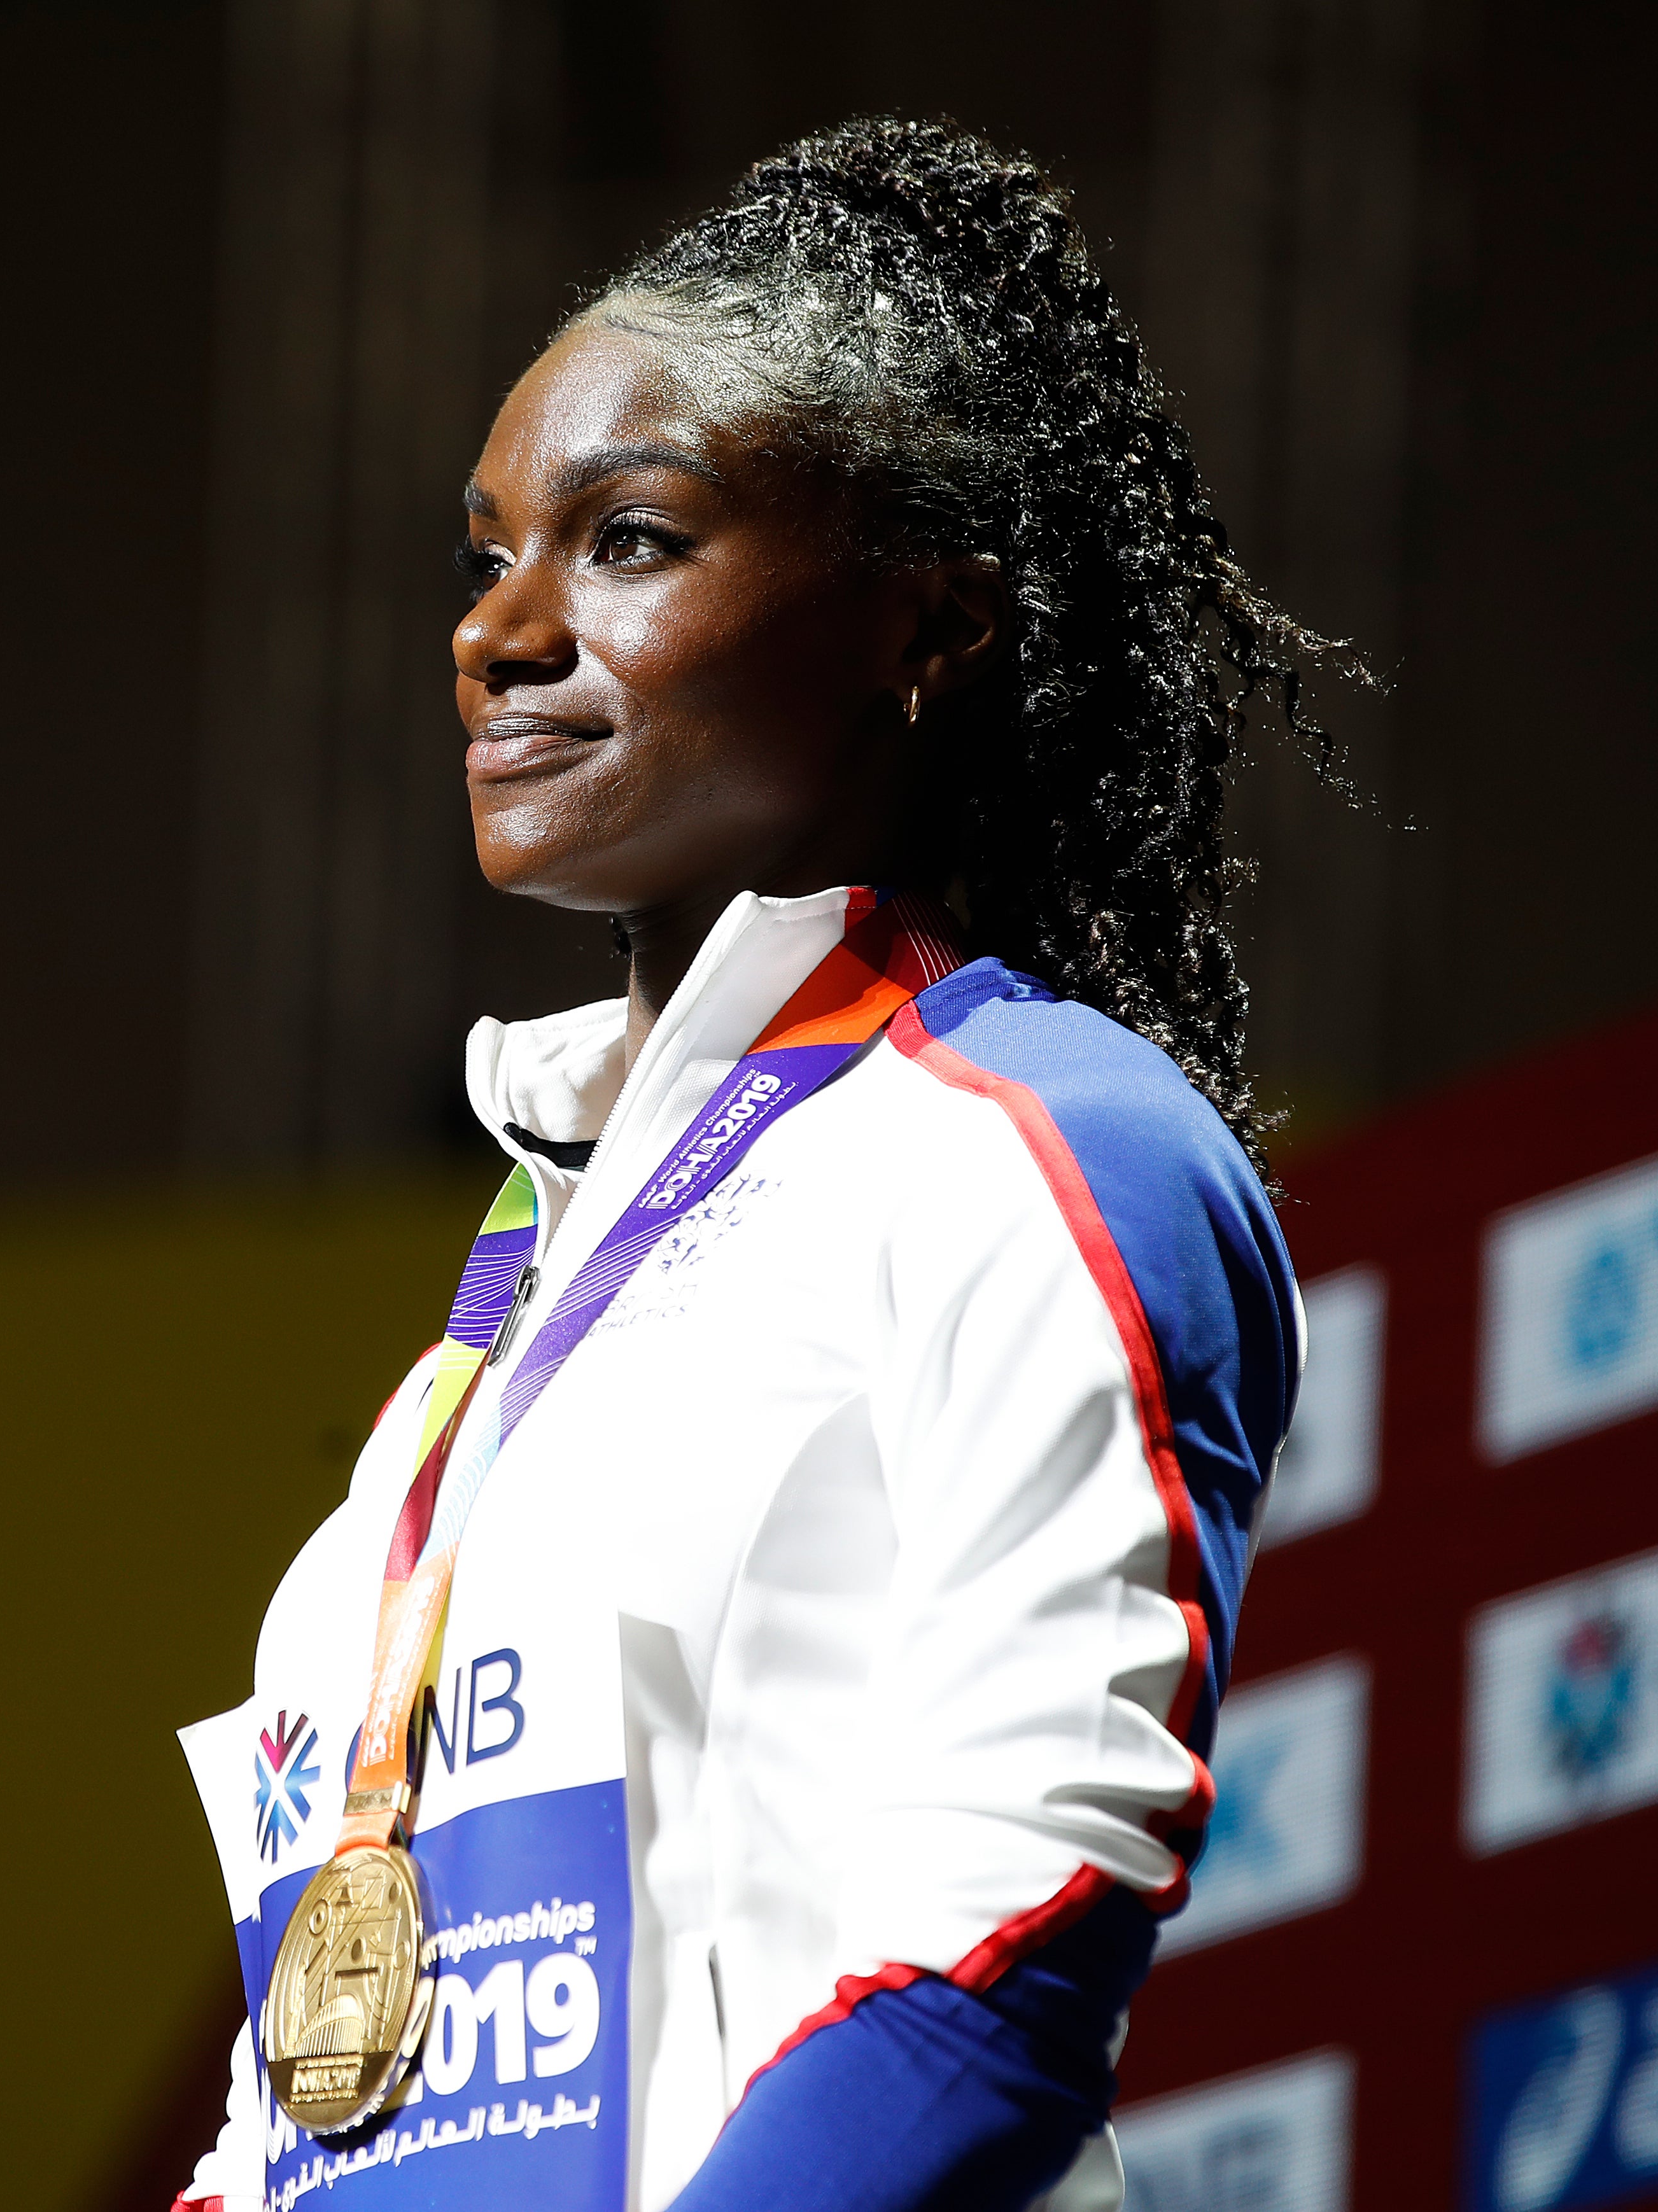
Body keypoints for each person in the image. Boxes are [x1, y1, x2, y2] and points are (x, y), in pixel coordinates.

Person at [174, 117, 1340, 2212]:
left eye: (628, 538)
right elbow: (298, 2123)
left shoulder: (1042, 1148)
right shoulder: (490, 1334)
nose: (501, 630)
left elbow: (998, 1964)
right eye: (485, 555)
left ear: (929, 627)